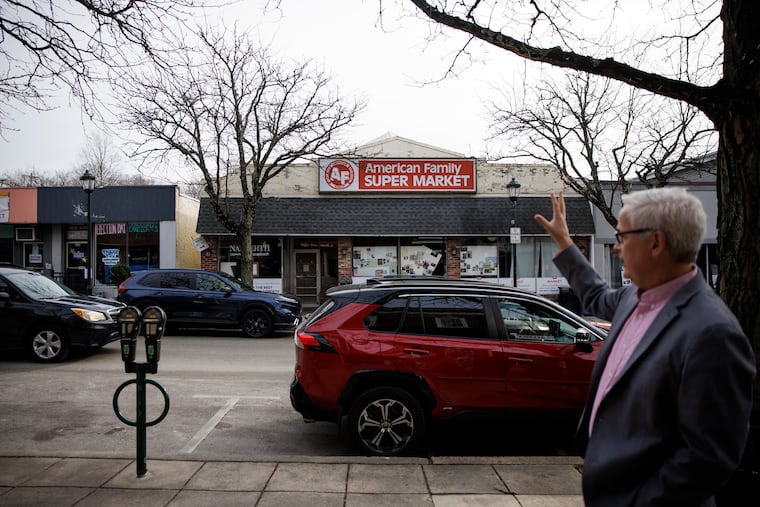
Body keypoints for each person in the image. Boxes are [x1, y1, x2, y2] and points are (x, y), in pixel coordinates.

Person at [534, 188, 755, 506]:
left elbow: (708, 458)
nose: (615, 247)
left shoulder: (712, 334)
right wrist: (564, 243)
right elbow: (595, 296)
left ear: (656, 242)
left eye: (622, 236)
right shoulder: (632, 297)